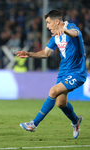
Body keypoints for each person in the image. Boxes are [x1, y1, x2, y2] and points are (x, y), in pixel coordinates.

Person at [16, 9, 87, 139]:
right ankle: (76, 121)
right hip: (63, 73)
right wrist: (29, 54)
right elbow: (46, 53)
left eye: (48, 23)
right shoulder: (55, 36)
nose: (47, 26)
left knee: (53, 91)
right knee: (61, 103)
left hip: (77, 72)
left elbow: (75, 33)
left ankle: (34, 124)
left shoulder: (71, 27)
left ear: (57, 21)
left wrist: (64, 30)